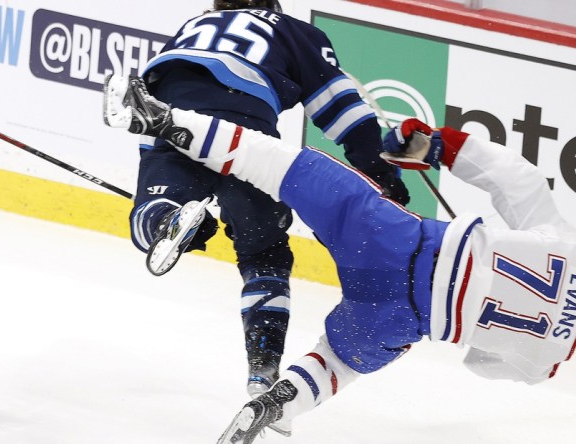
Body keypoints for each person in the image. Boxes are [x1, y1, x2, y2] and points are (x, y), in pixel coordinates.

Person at [104, 82, 576, 443]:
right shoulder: (543, 363)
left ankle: (161, 120)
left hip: (397, 242)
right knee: (339, 363)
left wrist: (438, 147)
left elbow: (517, 181)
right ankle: (276, 406)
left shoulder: (570, 251)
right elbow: (478, 362)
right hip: (398, 318)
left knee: (290, 168)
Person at [111, 0, 409, 419]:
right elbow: (343, 109)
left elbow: (154, 104)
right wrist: (377, 169)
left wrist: (155, 172)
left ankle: (166, 217)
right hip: (240, 122)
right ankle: (262, 369)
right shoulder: (293, 31)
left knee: (148, 219)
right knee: (263, 250)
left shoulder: (194, 24)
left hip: (168, 112)